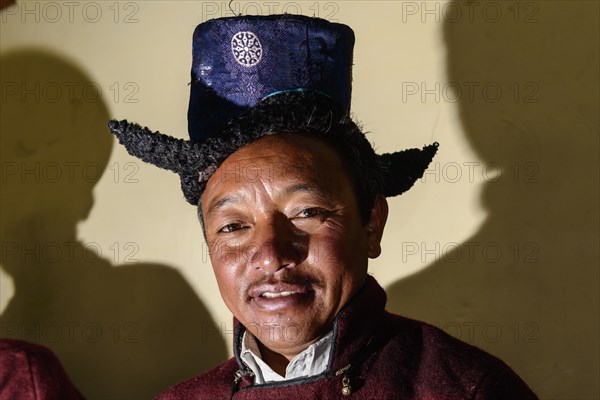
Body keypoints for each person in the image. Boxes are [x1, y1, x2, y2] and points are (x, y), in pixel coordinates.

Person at [109, 14, 538, 399]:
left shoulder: (464, 388)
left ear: (372, 223)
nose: (271, 256)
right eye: (234, 226)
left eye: (306, 213)